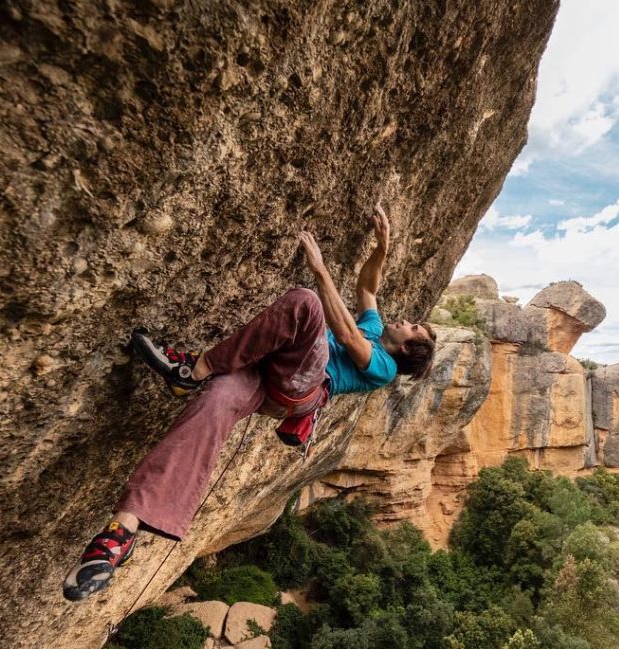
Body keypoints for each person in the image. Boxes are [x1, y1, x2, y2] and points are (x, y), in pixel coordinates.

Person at [63, 204, 436, 601]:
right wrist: (382, 247)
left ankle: (193, 369)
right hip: (262, 377)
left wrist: (320, 268)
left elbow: (344, 335)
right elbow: (368, 289)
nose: (406, 321)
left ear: (409, 347)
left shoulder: (382, 368)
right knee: (213, 405)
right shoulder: (375, 329)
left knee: (307, 302)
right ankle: (120, 534)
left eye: (413, 327)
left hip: (300, 385)